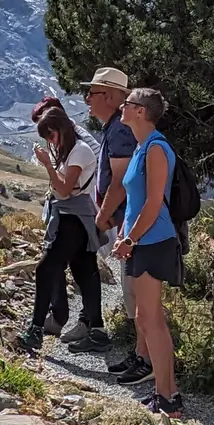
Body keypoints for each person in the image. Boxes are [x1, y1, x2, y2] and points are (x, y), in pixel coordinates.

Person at [113, 87, 183, 416]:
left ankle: (167, 397)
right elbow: (136, 202)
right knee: (149, 318)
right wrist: (126, 234)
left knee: (150, 319)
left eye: (127, 104)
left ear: (140, 111)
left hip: (153, 241)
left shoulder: (156, 148)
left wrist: (130, 239)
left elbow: (154, 202)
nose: (122, 108)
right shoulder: (144, 146)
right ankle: (166, 394)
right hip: (144, 240)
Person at [22, 105, 104, 352]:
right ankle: (97, 330)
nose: (50, 141)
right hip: (78, 216)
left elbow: (66, 189)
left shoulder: (79, 152)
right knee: (84, 271)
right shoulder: (72, 151)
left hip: (73, 217)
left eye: (51, 135)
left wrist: (48, 165)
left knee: (46, 268)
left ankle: (36, 329)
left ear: (60, 129)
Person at [81, 68, 141, 366]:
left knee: (136, 291)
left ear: (108, 95)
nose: (86, 100)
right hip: (126, 220)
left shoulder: (119, 129)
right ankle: (140, 353)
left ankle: (144, 356)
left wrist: (102, 218)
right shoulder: (115, 127)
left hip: (128, 222)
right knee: (132, 288)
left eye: (90, 93)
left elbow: (120, 180)